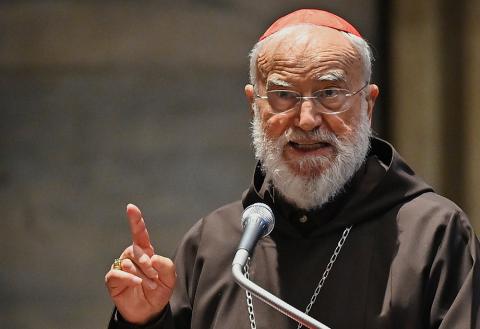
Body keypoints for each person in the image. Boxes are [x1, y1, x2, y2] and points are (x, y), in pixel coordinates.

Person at [105, 9, 480, 329]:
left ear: (367, 104)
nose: (305, 120)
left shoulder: (433, 235)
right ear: (255, 105)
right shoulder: (213, 244)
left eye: (330, 94)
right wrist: (143, 321)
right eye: (284, 95)